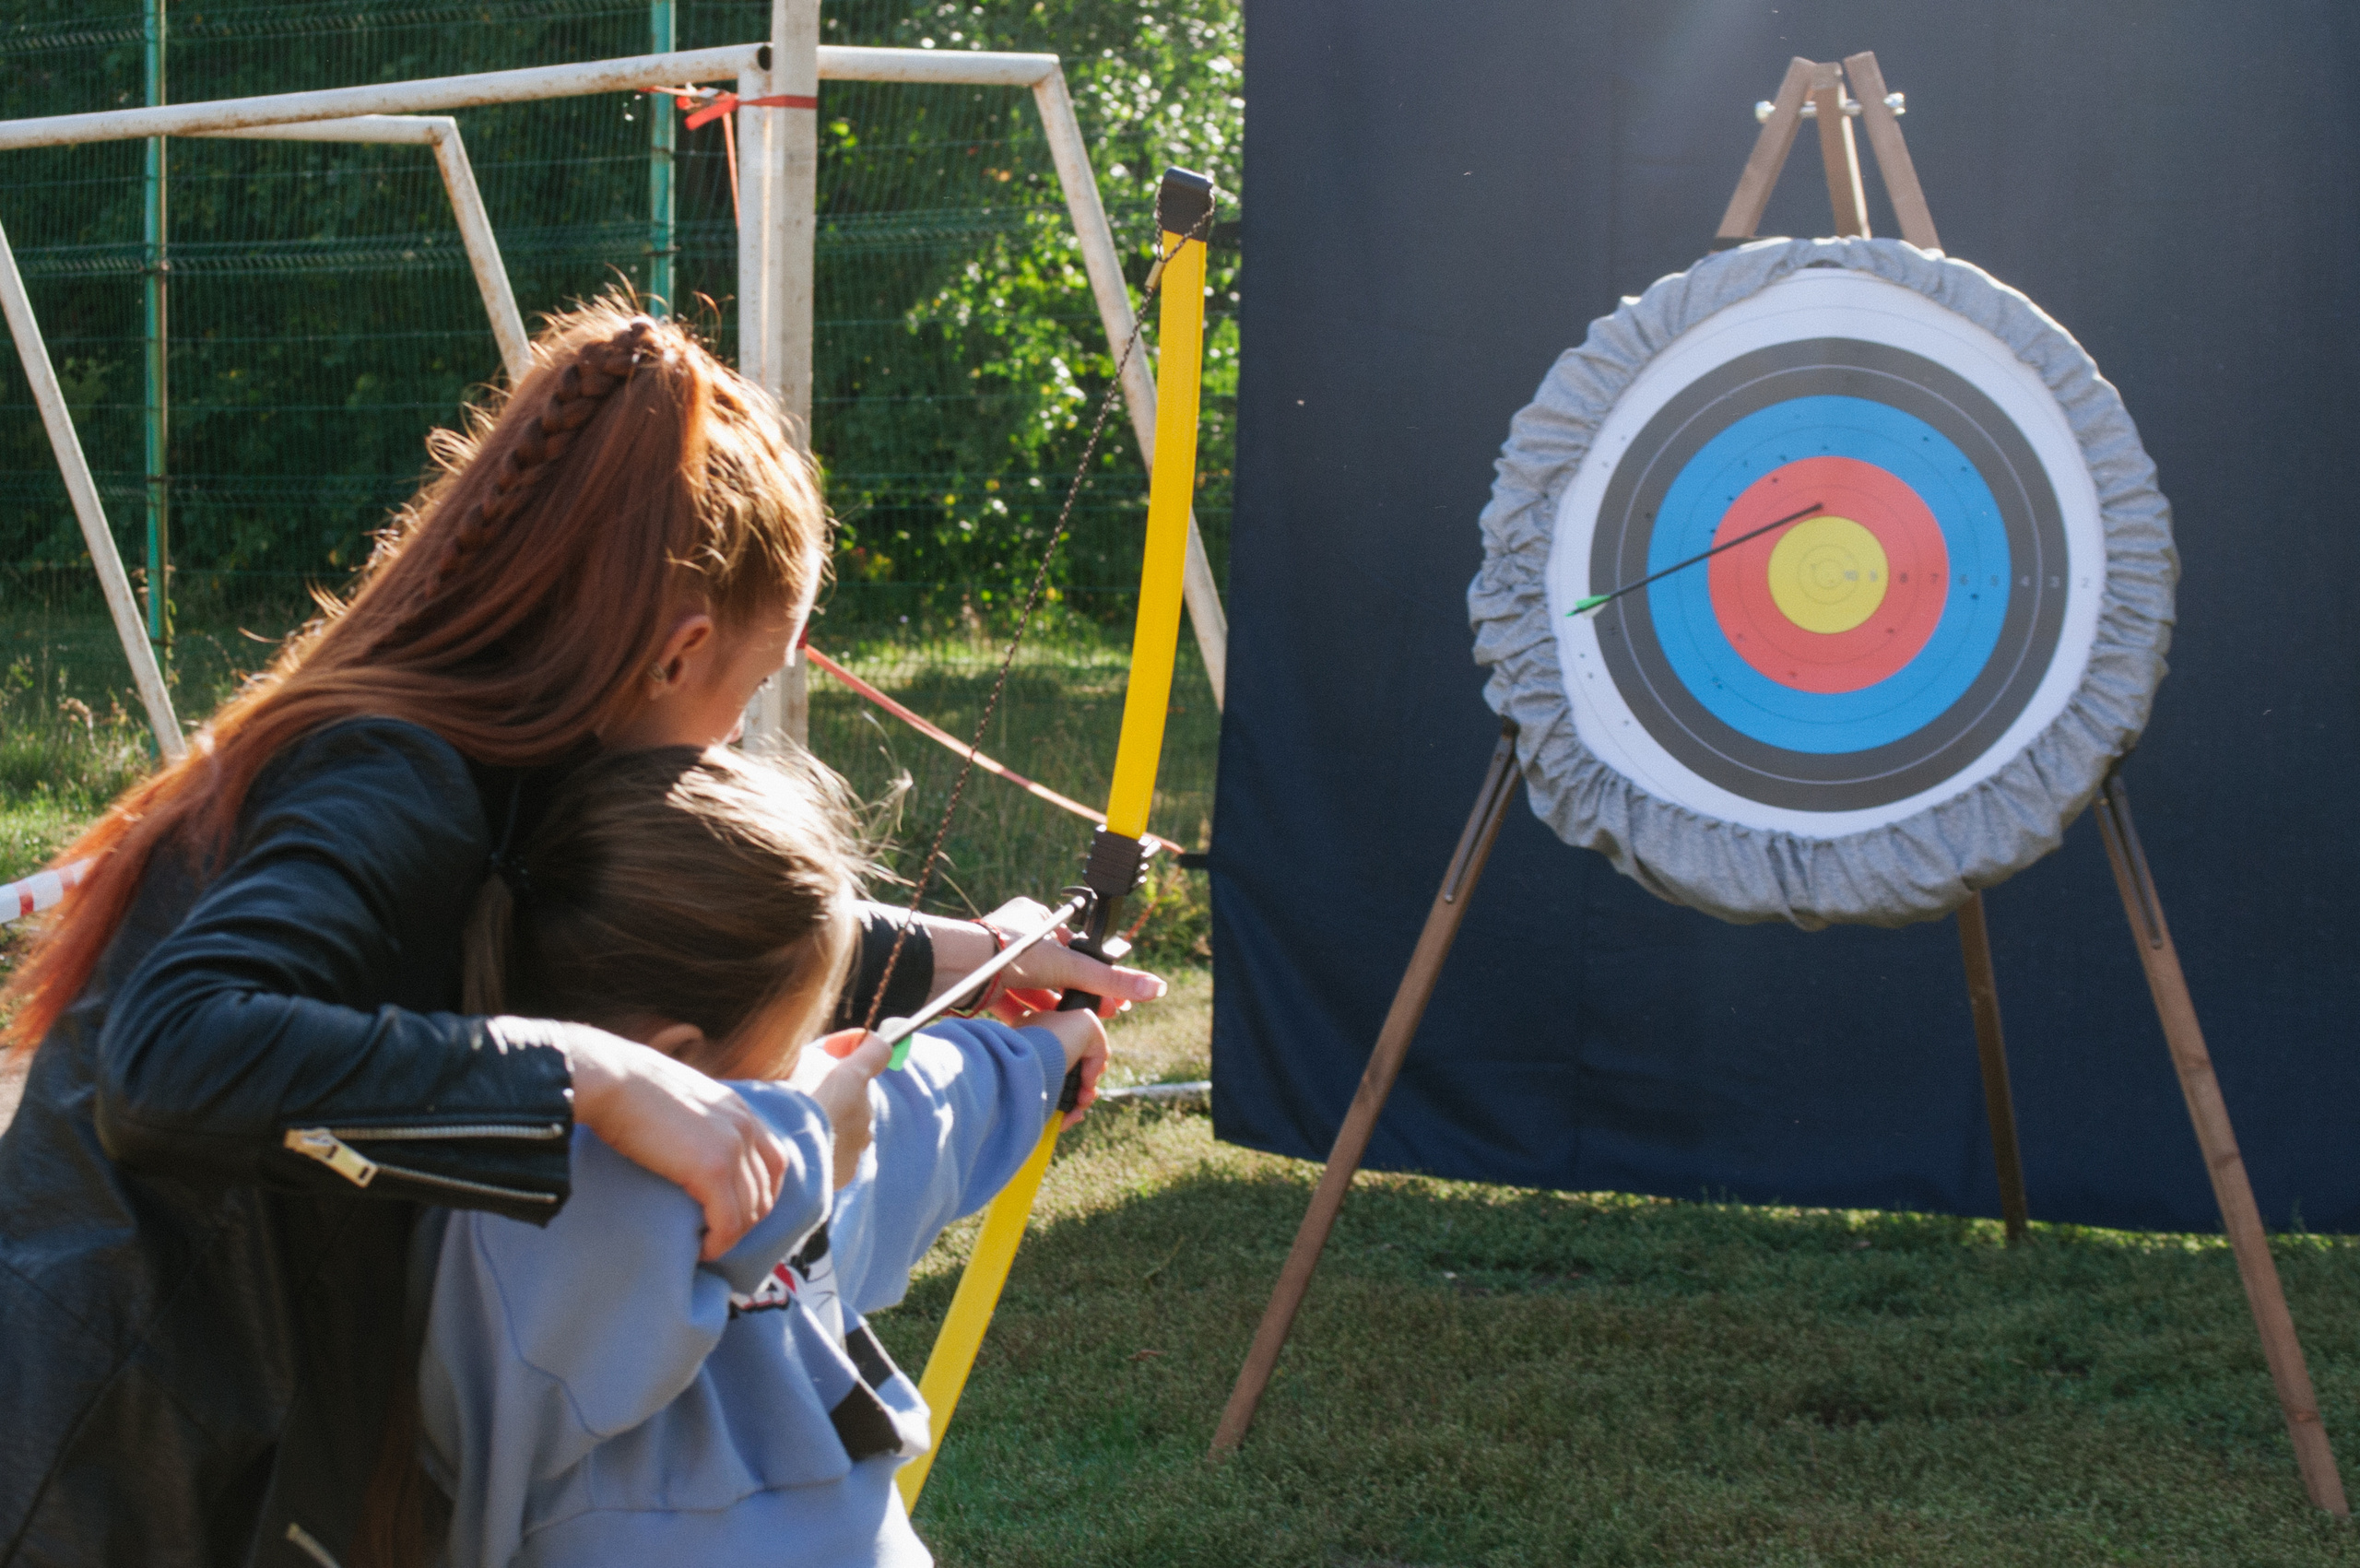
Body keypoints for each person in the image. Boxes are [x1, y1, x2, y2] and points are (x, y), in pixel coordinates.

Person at [0, 296, 1162, 1567]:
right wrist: (597, 1079)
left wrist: (970, 953)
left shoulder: (483, 756)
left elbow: (668, 923)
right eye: (751, 689)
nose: (731, 741)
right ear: (677, 653)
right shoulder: (393, 775)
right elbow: (170, 1065)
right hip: (105, 1477)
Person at [421, 742, 1105, 1567]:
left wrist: (1044, 1051)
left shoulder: (808, 1146)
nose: (805, 1068)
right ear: (674, 1060)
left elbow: (924, 1107)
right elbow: (668, 1210)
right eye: (790, 1049)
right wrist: (809, 1133)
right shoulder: (512, 1225)